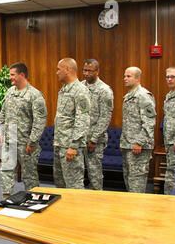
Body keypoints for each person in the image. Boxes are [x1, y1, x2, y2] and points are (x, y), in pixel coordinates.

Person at [0, 63, 47, 199]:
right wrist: (0, 133)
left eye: (12, 74)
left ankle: (34, 203)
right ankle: (6, 201)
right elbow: (2, 115)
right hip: (9, 143)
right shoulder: (10, 92)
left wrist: (32, 142)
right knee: (6, 173)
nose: (10, 77)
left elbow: (40, 121)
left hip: (27, 145)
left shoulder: (35, 95)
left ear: (22, 75)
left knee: (29, 177)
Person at [54, 58, 91, 189]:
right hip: (60, 144)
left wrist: (74, 146)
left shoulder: (80, 90)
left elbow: (82, 120)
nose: (57, 72)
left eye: (59, 69)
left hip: (70, 146)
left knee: (74, 185)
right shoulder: (64, 89)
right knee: (61, 183)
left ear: (68, 69)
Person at [120, 67, 156, 193]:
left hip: (138, 147)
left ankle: (138, 211)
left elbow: (149, 122)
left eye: (129, 76)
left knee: (137, 184)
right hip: (128, 146)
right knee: (129, 182)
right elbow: (128, 122)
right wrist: (123, 143)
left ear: (138, 78)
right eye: (124, 76)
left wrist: (139, 142)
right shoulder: (129, 96)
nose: (125, 79)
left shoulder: (143, 96)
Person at [81, 59, 114, 190]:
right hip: (79, 138)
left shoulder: (104, 90)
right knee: (77, 173)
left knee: (94, 175)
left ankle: (97, 200)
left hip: (94, 140)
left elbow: (105, 117)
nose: (86, 73)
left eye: (90, 71)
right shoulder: (80, 87)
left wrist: (94, 139)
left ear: (97, 71)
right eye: (84, 70)